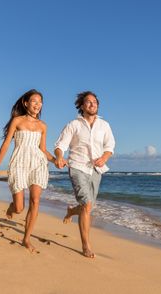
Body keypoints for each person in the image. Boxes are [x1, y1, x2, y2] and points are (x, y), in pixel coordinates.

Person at [0, 89, 55, 252]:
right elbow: (6, 143)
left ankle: (26, 238)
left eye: (40, 102)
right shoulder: (17, 121)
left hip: (38, 163)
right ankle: (12, 208)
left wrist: (56, 160)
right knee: (19, 208)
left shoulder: (43, 126)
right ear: (26, 103)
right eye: (34, 101)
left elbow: (43, 149)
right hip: (19, 162)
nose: (37, 104)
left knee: (35, 201)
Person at [54, 91, 115, 258]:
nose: (92, 104)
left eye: (95, 102)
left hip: (96, 169)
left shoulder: (104, 125)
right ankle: (86, 245)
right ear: (82, 106)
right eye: (88, 102)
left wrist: (104, 157)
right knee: (88, 205)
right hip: (77, 166)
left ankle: (72, 211)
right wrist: (59, 157)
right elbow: (60, 145)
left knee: (88, 207)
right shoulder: (74, 124)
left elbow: (110, 146)